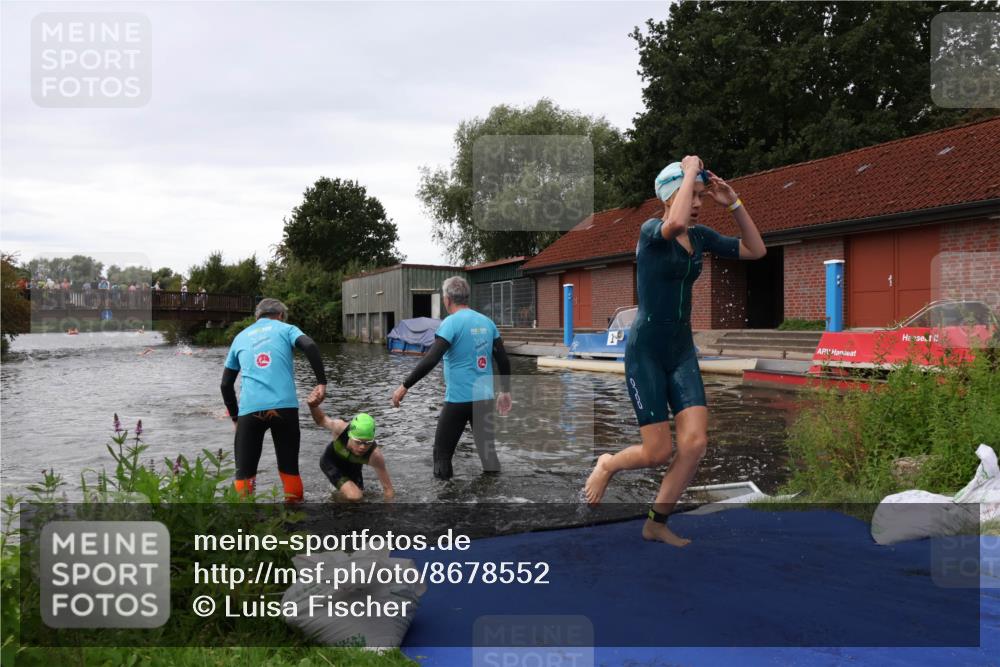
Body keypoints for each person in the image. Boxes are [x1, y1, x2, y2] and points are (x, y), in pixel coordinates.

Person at [584, 155, 766, 546]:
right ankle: (608, 464)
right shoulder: (652, 231)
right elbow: (676, 223)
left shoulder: (701, 238)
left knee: (695, 443)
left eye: (701, 195)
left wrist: (734, 203)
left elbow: (756, 250)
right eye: (691, 194)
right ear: (670, 195)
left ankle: (656, 522)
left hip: (681, 351)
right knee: (657, 452)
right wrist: (689, 171)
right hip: (646, 353)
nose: (698, 202)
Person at [391, 276, 512, 479]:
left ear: (447, 299)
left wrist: (405, 386)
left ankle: (446, 497)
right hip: (484, 400)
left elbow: (431, 359)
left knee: (442, 456)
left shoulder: (450, 323)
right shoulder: (487, 322)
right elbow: (503, 360)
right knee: (488, 456)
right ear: (466, 297)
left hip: (458, 400)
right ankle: (495, 495)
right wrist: (505, 391)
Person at [220, 298, 327, 501]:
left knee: (244, 475)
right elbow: (310, 346)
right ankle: (293, 516)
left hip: (250, 411)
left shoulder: (240, 337)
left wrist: (235, 418)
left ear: (257, 317)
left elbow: (226, 385)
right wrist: (321, 382)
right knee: (289, 469)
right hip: (285, 409)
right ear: (280, 315)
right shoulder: (287, 329)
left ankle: (245, 517)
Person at [306, 393, 394, 501]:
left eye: (367, 443)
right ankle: (334, 501)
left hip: (353, 468)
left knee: (360, 499)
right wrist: (313, 406)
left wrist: (389, 509)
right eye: (358, 442)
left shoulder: (375, 456)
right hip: (330, 462)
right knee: (355, 496)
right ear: (350, 435)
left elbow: (388, 489)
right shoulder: (339, 428)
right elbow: (321, 420)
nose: (362, 447)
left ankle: (338, 499)